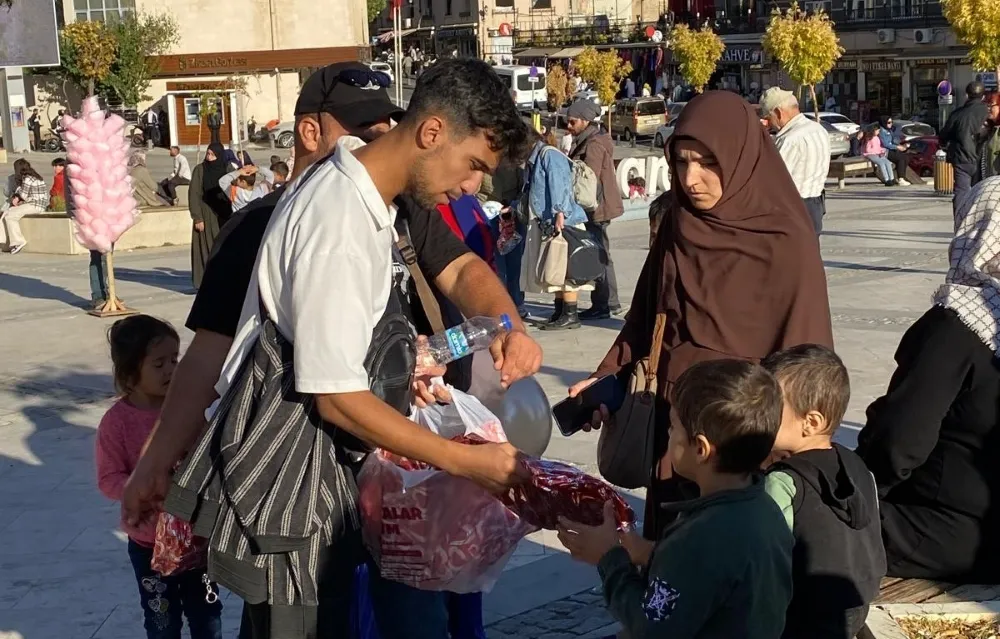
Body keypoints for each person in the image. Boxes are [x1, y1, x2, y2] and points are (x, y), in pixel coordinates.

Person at [122, 61, 540, 639]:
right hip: (297, 502)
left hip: (327, 493)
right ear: (433, 131)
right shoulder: (338, 221)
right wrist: (469, 463)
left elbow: (453, 277)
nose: (472, 187)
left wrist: (494, 330)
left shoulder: (371, 200)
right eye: (473, 165)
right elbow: (335, 398)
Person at [568, 90, 834, 541]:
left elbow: (807, 357)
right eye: (682, 162)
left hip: (745, 436)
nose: (692, 179)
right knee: (672, 557)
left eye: (708, 162)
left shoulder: (785, 238)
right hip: (674, 425)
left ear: (740, 157)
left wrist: (790, 440)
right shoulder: (679, 222)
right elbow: (647, 314)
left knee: (729, 563)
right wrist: (606, 376)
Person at [557, 359, 793, 639]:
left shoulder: (701, 536)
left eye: (673, 427)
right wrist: (647, 552)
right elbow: (715, 575)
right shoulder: (765, 507)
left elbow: (650, 625)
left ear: (702, 449)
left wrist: (609, 559)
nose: (668, 434)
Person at [857, 177, 1000, 581]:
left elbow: (899, 445)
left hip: (958, 534)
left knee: (815, 515)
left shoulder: (957, 326)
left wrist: (858, 491)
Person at [95, 316, 223, 639]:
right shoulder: (116, 423)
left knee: (207, 617)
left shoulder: (187, 410)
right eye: (159, 364)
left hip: (196, 540)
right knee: (161, 621)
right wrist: (142, 489)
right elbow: (108, 479)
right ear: (130, 373)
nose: (171, 370)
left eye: (174, 360)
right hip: (148, 546)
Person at [762, 344, 885, 639]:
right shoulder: (857, 466)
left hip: (799, 618)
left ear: (811, 421)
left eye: (770, 409)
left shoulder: (783, 483)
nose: (759, 416)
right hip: (855, 606)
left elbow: (761, 555)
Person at [521, 129, 591, 330]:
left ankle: (570, 314)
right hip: (552, 222)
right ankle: (560, 310)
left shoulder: (549, 154)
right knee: (556, 267)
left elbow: (559, 184)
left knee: (567, 268)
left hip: (563, 221)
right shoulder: (537, 158)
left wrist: (560, 212)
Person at [565, 98, 625, 320]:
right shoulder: (589, 139)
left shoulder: (593, 144)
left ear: (584, 121)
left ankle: (605, 304)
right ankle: (608, 302)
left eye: (572, 122)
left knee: (600, 256)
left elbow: (589, 180)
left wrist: (580, 207)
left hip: (597, 209)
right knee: (602, 254)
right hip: (598, 207)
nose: (568, 126)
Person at [759, 88, 831, 234]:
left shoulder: (789, 139)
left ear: (778, 113)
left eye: (768, 117)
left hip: (793, 207)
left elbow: (774, 181)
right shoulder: (819, 130)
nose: (769, 123)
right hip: (816, 204)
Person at [939, 81, 989, 218]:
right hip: (985, 157)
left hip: (962, 157)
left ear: (967, 95)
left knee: (961, 191)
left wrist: (945, 144)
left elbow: (943, 135)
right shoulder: (988, 111)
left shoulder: (957, 114)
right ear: (983, 96)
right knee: (985, 191)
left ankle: (960, 221)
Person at [188, 142, 234, 289]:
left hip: (224, 214)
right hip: (206, 213)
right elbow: (194, 194)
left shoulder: (227, 169)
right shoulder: (200, 170)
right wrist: (197, 217)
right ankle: (205, 283)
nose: (209, 157)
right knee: (207, 248)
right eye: (208, 154)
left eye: (212, 155)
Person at [2, 158, 49, 254]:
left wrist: (16, 195)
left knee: (10, 216)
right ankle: (5, 242)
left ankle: (18, 241)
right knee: (8, 212)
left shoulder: (27, 178)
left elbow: (23, 195)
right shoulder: (34, 176)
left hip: (36, 205)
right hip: (37, 203)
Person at [878, 117, 913, 186]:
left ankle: (901, 176)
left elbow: (894, 140)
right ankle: (901, 178)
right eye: (889, 122)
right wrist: (897, 147)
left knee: (906, 157)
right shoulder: (881, 131)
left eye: (891, 122)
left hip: (892, 149)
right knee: (901, 158)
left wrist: (902, 145)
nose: (891, 124)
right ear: (884, 123)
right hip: (884, 151)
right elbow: (885, 144)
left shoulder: (889, 130)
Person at [975, 93, 1000, 184]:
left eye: (991, 105)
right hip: (987, 182)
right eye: (987, 106)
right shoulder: (989, 130)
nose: (988, 109)